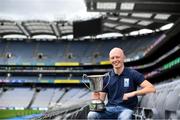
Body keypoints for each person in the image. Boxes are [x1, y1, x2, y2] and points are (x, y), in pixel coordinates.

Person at [87, 47, 156, 120]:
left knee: (125, 118)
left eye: (117, 57)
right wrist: (96, 97)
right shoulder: (107, 77)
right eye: (112, 58)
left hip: (126, 109)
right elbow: (101, 99)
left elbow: (151, 88)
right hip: (109, 109)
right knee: (92, 115)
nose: (115, 60)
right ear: (110, 60)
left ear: (123, 58)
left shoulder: (132, 73)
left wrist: (133, 93)